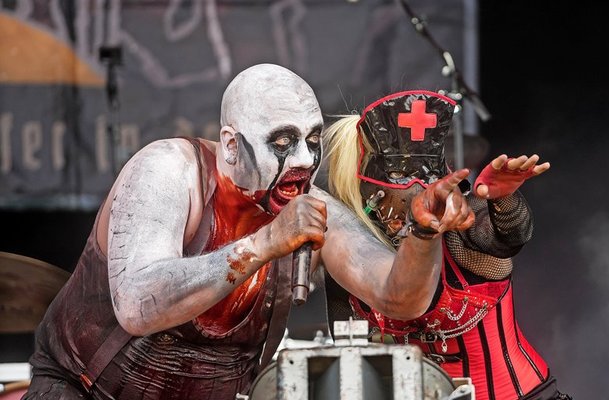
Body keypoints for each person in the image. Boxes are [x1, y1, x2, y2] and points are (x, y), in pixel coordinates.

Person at [24, 65, 473, 399]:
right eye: (283, 142)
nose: (304, 160)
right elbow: (138, 305)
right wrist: (265, 243)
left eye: (312, 140)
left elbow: (400, 297)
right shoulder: (169, 170)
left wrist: (423, 234)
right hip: (82, 391)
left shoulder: (310, 207)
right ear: (232, 145)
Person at [323, 90, 572, 400]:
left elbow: (511, 235)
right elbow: (352, 354)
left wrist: (502, 198)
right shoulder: (353, 250)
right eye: (400, 178)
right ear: (369, 192)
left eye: (424, 184)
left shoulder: (460, 228)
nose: (415, 198)